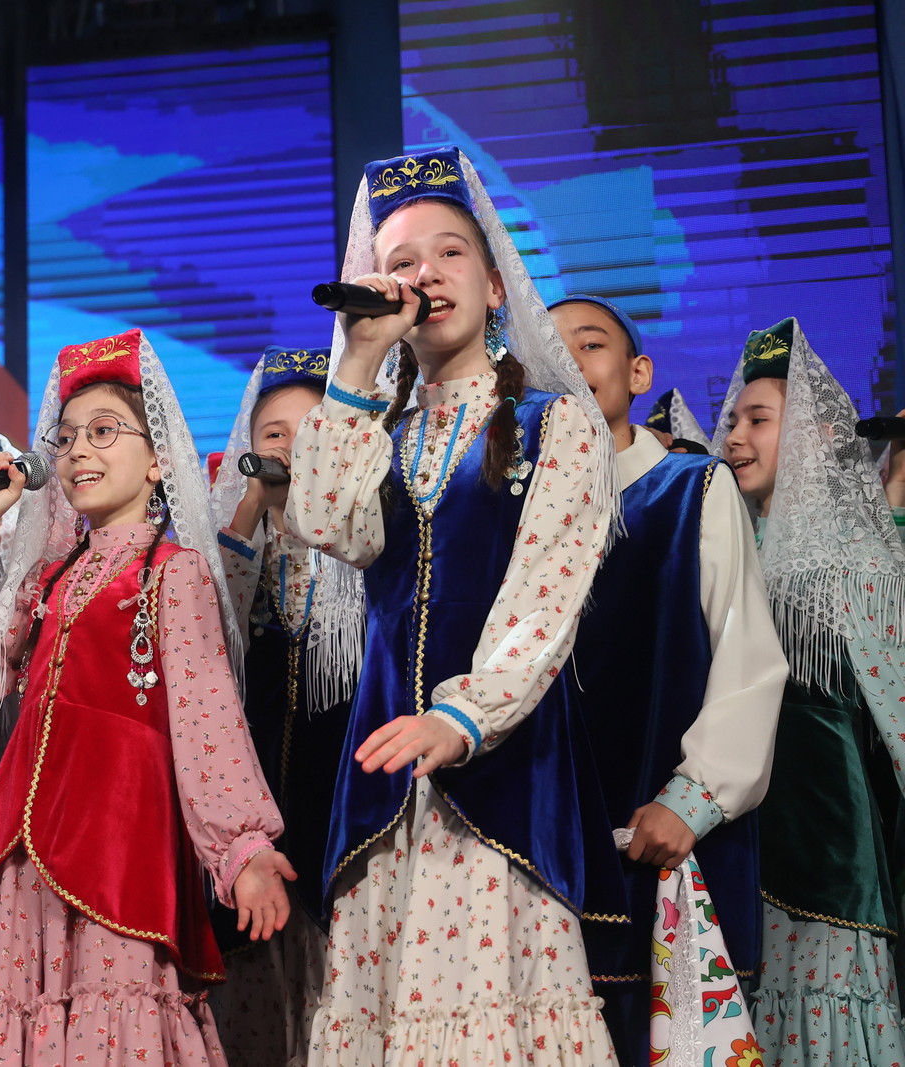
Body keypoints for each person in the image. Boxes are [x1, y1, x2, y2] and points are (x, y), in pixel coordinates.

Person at [287, 145, 626, 1064]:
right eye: (401, 262)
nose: (426, 274)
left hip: (500, 779)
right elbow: (323, 521)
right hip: (387, 789)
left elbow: (545, 599)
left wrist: (461, 715)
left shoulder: (556, 424)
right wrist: (360, 358)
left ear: (495, 284)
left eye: (449, 253)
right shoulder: (381, 432)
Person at [0, 327, 294, 1065]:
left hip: (118, 854)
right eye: (67, 436)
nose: (79, 449)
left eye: (104, 431)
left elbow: (207, 717)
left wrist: (243, 847)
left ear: (157, 460)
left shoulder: (172, 572)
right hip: (28, 866)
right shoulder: (48, 578)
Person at [550, 293, 785, 1066]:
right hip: (556, 858)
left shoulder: (690, 490)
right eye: (549, 351)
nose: (570, 364)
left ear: (639, 372)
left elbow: (748, 657)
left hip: (668, 842)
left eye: (590, 344)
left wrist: (694, 796)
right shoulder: (518, 515)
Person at [715, 316, 905, 1066]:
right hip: (736, 848)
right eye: (734, 419)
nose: (735, 436)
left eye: (759, 420)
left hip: (829, 862)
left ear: (820, 436)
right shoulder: (723, 553)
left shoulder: (862, 567)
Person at [205, 345, 364, 1066]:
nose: (291, 447)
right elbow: (214, 633)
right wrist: (249, 509)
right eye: (273, 433)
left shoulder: (362, 549)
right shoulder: (236, 548)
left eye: (311, 429)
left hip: (342, 806)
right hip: (258, 803)